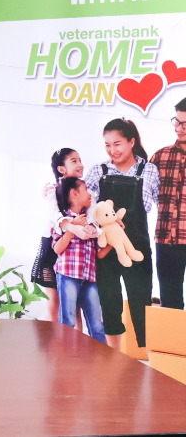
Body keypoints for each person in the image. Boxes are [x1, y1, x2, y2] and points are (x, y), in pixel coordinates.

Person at [84, 118, 159, 349]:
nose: (112, 150)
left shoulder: (149, 170)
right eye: (107, 145)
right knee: (109, 302)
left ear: (131, 142)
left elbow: (155, 205)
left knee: (141, 301)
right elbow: (87, 208)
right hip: (106, 247)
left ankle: (148, 357)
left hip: (137, 245)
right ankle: (111, 354)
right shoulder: (99, 170)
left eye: (117, 144)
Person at [35, 149, 94, 326]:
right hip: (53, 246)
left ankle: (76, 342)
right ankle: (55, 342)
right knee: (54, 301)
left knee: (74, 301)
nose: (80, 164)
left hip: (75, 250)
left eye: (80, 160)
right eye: (74, 161)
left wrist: (87, 228)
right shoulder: (52, 190)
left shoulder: (84, 190)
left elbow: (92, 214)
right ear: (62, 169)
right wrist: (73, 227)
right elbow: (54, 214)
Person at [50, 177, 105, 343]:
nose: (90, 194)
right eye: (86, 189)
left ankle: (101, 363)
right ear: (74, 193)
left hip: (90, 278)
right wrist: (72, 229)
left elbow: (99, 252)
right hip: (68, 275)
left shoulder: (92, 221)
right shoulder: (63, 221)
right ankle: (65, 363)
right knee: (68, 320)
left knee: (97, 325)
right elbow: (58, 248)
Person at [151, 97, 186, 310]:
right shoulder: (161, 156)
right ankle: (173, 344)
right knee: (170, 302)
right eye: (176, 121)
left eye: (185, 124)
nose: (178, 128)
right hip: (167, 240)